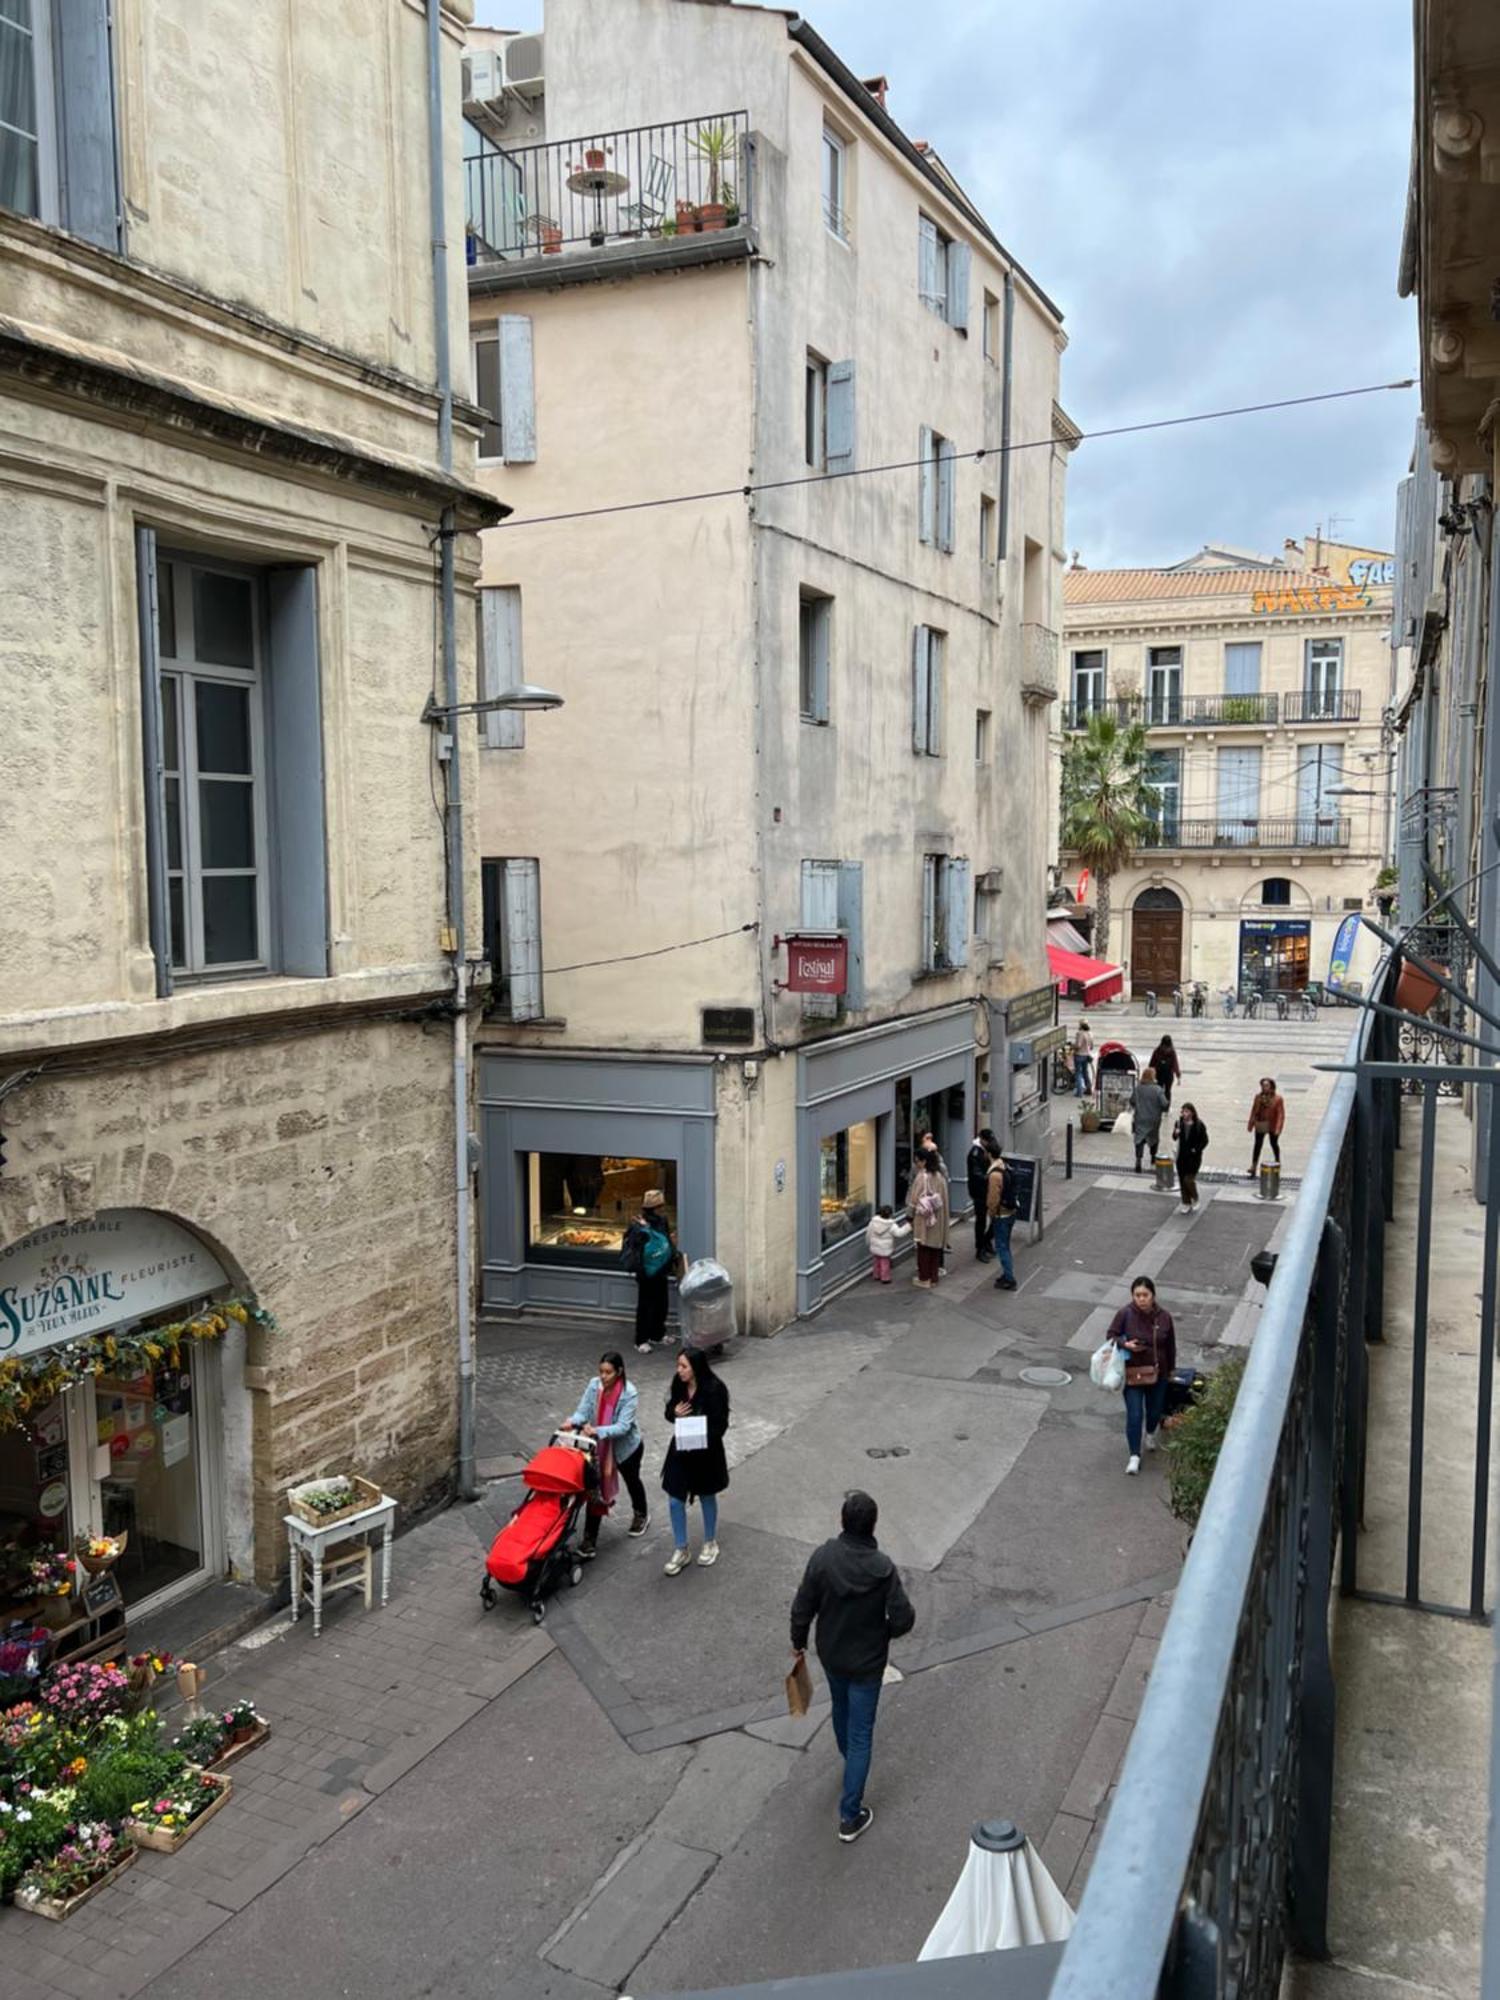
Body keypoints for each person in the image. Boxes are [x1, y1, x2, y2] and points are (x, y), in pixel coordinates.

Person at [789, 1490, 916, 1844]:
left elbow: (803, 1606)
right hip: (867, 1663)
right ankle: (850, 1813)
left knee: (840, 1711)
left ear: (842, 1520)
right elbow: (904, 1618)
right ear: (873, 1524)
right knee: (862, 1732)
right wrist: (883, 1634)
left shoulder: (823, 1558)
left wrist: (798, 1641)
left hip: (832, 1654)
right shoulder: (882, 1569)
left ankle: (850, 1769)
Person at [561, 1351, 649, 1553]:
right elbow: (583, 1411)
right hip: (598, 1449)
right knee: (595, 1490)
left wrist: (597, 1431)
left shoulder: (629, 1393)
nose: (603, 1376)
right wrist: (572, 1421)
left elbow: (623, 1426)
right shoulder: (594, 1386)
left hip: (626, 1449)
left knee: (632, 1480)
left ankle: (641, 1513)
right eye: (601, 1371)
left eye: (608, 1372)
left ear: (619, 1372)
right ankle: (589, 1539)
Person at [660, 1347, 730, 1575]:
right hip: (681, 1449)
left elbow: (720, 1425)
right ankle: (682, 1548)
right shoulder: (678, 1385)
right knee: (674, 1499)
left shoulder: (715, 1389)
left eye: (684, 1366)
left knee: (706, 1495)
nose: (679, 1371)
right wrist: (675, 1413)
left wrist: (700, 1430)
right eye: (678, 1365)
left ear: (696, 1367)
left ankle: (710, 1541)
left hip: (706, 1453)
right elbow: (669, 1411)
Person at [1108, 1274, 1177, 1475]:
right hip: (1134, 1374)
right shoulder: (1125, 1314)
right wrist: (1124, 1344)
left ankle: (1150, 1432)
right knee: (1135, 1415)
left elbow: (1170, 1345)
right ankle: (1134, 1455)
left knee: (1154, 1411)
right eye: (1137, 1295)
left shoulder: (1164, 1317)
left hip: (1159, 1373)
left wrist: (1171, 1370)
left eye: (1145, 1295)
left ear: (1153, 1295)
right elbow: (1111, 1335)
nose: (1141, 1299)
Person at [623, 1190, 678, 1354]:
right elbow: (635, 1249)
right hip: (646, 1272)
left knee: (661, 1304)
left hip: (661, 1270)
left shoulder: (662, 1221)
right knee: (646, 1305)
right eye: (660, 1206)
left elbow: (666, 1239)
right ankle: (641, 1339)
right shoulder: (638, 1225)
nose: (663, 1209)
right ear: (655, 1207)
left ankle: (657, 1334)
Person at [907, 1146, 949, 1289]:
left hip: (924, 1218)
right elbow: (944, 1199)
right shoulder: (939, 1176)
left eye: (917, 1161)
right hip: (938, 1218)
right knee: (935, 1248)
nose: (916, 1164)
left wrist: (909, 1216)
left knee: (923, 1247)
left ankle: (924, 1278)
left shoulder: (921, 1177)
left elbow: (914, 1198)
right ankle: (934, 1277)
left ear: (923, 1161)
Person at [985, 1138, 1018, 1290]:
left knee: (1001, 1247)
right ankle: (1007, 1274)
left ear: (989, 1154)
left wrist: (991, 1213)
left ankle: (1009, 1279)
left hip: (1001, 1215)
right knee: (1006, 1245)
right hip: (1011, 1213)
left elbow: (993, 1199)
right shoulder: (1004, 1165)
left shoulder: (994, 1175)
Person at [965, 1129, 998, 1261]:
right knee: (981, 1220)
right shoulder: (974, 1154)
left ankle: (986, 1241)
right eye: (987, 1141)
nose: (989, 1143)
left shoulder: (988, 1149)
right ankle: (980, 1248)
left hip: (989, 1189)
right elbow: (976, 1174)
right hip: (979, 1191)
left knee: (996, 1218)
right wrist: (992, 1177)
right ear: (981, 1139)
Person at [1130, 1066, 1169, 1174]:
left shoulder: (1138, 1088)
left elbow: (1132, 1101)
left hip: (1140, 1118)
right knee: (1153, 1138)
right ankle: (1153, 1157)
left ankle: (1138, 1161)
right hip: (1154, 1119)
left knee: (1139, 1139)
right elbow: (1164, 1104)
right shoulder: (1158, 1089)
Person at [1173, 1104, 1209, 1214]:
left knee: (1188, 1180)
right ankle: (1186, 1202)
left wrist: (1196, 1150)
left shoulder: (1199, 1125)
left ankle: (1195, 1197)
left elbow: (1205, 1141)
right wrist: (1176, 1133)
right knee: (1182, 1180)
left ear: (1192, 1113)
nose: (1184, 1114)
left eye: (1187, 1111)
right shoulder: (1179, 1123)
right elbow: (1174, 1137)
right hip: (1181, 1157)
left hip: (1193, 1158)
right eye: (1183, 1112)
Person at [1246, 1078, 1286, 1174]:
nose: (1264, 1088)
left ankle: (1277, 1161)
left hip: (1272, 1124)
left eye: (1266, 1085)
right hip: (1261, 1123)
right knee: (1257, 1145)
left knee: (1274, 1144)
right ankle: (1254, 1165)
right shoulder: (1258, 1097)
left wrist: (1278, 1128)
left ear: (1271, 1086)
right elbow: (1254, 1110)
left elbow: (1281, 1114)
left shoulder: (1278, 1099)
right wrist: (1251, 1123)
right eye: (1263, 1085)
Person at [866, 1204, 897, 1284]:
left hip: (875, 1246)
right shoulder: (892, 1225)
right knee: (885, 1263)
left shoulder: (873, 1222)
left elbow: (868, 1233)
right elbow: (899, 1233)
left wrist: (868, 1242)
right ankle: (885, 1278)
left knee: (876, 1261)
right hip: (885, 1248)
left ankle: (876, 1275)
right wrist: (908, 1227)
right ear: (890, 1214)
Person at [1148, 1035, 1181, 1107]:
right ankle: (1158, 1105)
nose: (1166, 1049)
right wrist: (1150, 1075)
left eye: (1167, 1047)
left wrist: (1178, 1075)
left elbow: (1175, 1064)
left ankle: (1166, 1107)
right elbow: (1151, 1064)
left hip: (1168, 1074)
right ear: (1162, 1044)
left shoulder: (1172, 1052)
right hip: (1158, 1074)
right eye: (1164, 1046)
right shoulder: (1157, 1051)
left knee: (1167, 1091)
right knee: (1158, 1090)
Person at [1072, 1020, 1094, 1098]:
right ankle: (1089, 1089)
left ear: (1080, 1025)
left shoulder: (1080, 1033)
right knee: (1085, 1072)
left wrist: (1073, 1046)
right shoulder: (1090, 1033)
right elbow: (1091, 1046)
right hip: (1086, 1055)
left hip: (1079, 1055)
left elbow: (1078, 1045)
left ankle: (1079, 1092)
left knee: (1078, 1073)